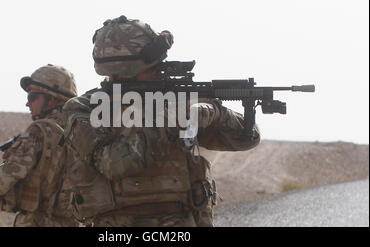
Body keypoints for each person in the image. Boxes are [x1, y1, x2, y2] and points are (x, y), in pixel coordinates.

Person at [59, 16, 260, 227]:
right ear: (126, 70)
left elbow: (248, 139)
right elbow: (113, 164)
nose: (160, 70)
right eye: (153, 66)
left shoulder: (175, 100)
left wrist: (216, 114)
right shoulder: (83, 108)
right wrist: (171, 118)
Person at [0, 64, 79, 226]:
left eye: (32, 97)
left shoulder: (40, 131)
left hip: (38, 221)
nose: (27, 104)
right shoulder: (80, 130)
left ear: (52, 99)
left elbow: (9, 173)